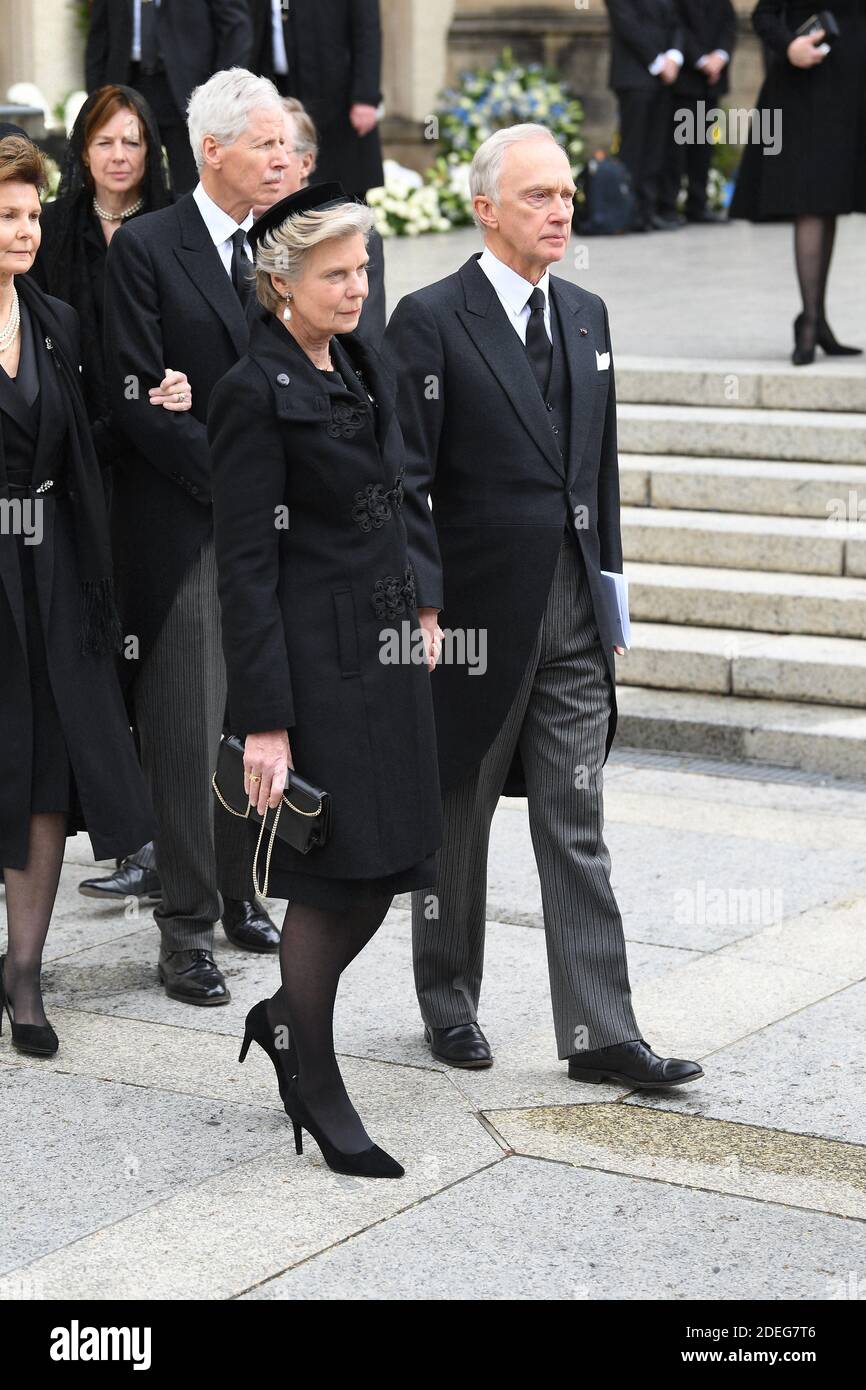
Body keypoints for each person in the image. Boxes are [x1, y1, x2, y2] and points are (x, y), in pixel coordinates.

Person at [383, 124, 704, 1091]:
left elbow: (597, 474)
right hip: (473, 622)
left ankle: (602, 1029)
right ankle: (448, 1001)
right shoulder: (429, 319)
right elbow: (402, 480)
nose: (562, 210)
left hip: (572, 612)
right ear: (486, 209)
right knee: (458, 819)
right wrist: (424, 607)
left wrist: (612, 602)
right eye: (539, 196)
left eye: (566, 194)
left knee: (577, 820)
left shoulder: (588, 314)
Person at [208, 183, 443, 1177]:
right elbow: (244, 567)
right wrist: (266, 720)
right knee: (333, 873)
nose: (357, 288)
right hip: (315, 664)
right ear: (281, 282)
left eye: (362, 269)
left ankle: (280, 1017)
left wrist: (424, 600)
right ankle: (314, 1074)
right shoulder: (249, 392)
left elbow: (404, 488)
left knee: (385, 866)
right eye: (336, 274)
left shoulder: (360, 357)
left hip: (385, 649)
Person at [102, 69, 291, 1005]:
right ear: (212, 151)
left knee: (258, 715)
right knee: (185, 729)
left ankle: (243, 890)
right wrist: (237, 485)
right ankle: (183, 929)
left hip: (280, 529)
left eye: (287, 144)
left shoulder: (286, 244)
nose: (284, 158)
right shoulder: (147, 247)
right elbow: (138, 397)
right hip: (186, 528)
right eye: (267, 144)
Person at [0, 135, 156, 1057]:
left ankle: (25, 973)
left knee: (49, 767)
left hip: (53, 571)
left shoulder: (54, 318)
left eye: (30, 215)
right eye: (6, 216)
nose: (24, 231)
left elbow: (89, 434)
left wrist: (164, 397)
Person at [30, 86, 184, 908]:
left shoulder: (171, 230)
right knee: (100, 649)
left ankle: (181, 846)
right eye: (104, 142)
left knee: (161, 656)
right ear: (82, 151)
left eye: (132, 141)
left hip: (150, 460)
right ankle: (130, 835)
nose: (119, 156)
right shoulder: (52, 230)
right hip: (71, 456)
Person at [729, 0, 865, 364]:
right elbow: (763, 15)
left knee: (829, 202)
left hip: (854, 91)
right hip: (808, 91)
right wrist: (790, 45)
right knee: (812, 200)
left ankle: (817, 319)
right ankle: (809, 322)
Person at [255, 97, 386, 348]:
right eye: (259, 148)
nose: (269, 163)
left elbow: (366, 341)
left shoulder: (351, 233)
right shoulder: (231, 236)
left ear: (306, 163)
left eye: (279, 146)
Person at [85, 0, 253, 194]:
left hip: (190, 93)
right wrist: (97, 98)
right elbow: (98, 34)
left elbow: (236, 29)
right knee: (127, 186)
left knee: (191, 187)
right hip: (126, 86)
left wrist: (219, 92)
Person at [247, 0, 385, 198]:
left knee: (341, 190)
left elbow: (367, 30)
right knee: (283, 185)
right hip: (276, 85)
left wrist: (365, 97)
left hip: (336, 93)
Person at [605, 0, 685, 231]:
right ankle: (629, 211)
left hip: (664, 80)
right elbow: (627, 25)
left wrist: (674, 56)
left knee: (655, 149)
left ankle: (648, 211)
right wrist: (658, 62)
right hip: (634, 76)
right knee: (633, 148)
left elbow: (676, 22)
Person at [663, 0, 737, 223]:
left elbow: (729, 24)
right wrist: (702, 60)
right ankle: (668, 206)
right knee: (677, 148)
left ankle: (697, 205)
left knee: (704, 146)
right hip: (685, 79)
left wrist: (720, 56)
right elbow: (677, 27)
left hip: (711, 83)